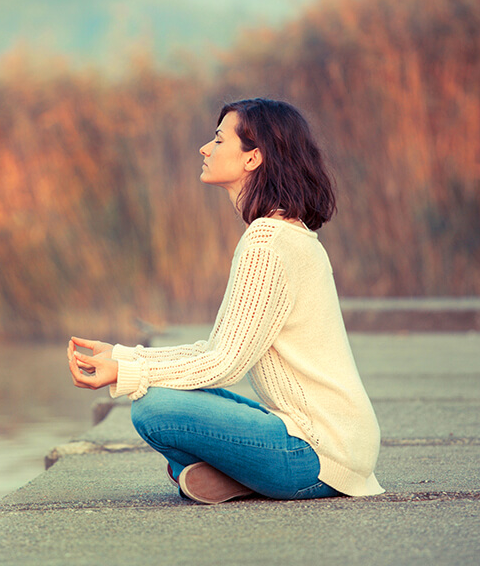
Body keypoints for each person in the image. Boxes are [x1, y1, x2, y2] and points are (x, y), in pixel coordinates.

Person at [66, 98, 384, 503]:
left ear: (253, 157)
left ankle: (242, 474)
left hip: (318, 454)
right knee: (164, 392)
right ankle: (236, 477)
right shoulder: (287, 233)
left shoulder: (266, 243)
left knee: (153, 408)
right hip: (334, 443)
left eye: (218, 140)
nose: (205, 148)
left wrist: (125, 372)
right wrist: (122, 356)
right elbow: (217, 351)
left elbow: (224, 365)